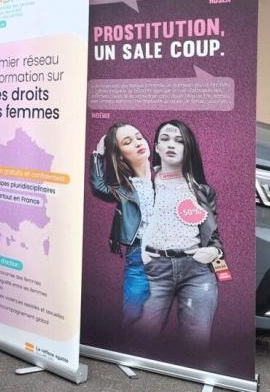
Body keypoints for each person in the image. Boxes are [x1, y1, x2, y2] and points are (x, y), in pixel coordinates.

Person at [140, 120, 223, 348]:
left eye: (179, 141)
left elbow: (212, 232)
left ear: (188, 148)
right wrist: (141, 254)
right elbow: (129, 224)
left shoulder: (202, 190)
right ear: (155, 147)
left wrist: (214, 251)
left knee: (196, 343)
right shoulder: (142, 184)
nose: (171, 145)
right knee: (140, 338)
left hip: (197, 270)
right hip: (153, 270)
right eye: (165, 139)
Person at [90, 122, 155, 327]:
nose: (137, 143)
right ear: (120, 155)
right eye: (128, 142)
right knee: (135, 316)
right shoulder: (126, 188)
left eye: (138, 136)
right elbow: (99, 186)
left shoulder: (166, 176)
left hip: (174, 256)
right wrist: (98, 155)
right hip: (140, 254)